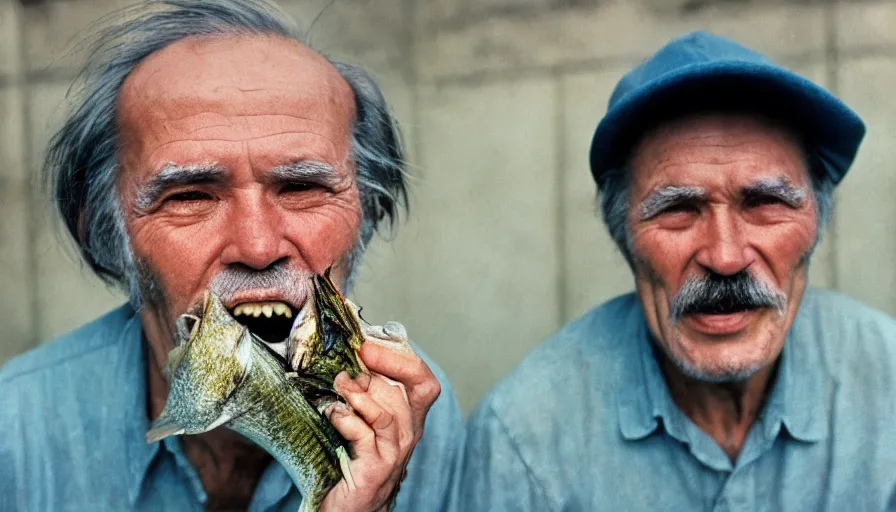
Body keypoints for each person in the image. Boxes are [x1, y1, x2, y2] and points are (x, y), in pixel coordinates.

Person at [0, 1, 464, 510]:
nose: (259, 248)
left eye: (302, 188)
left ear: (367, 215)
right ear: (109, 237)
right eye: (191, 196)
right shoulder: (17, 436)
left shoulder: (413, 422)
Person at [460, 31, 896, 510]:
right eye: (678, 210)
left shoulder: (888, 381)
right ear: (623, 238)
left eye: (765, 203)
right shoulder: (523, 439)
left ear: (816, 226)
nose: (725, 257)